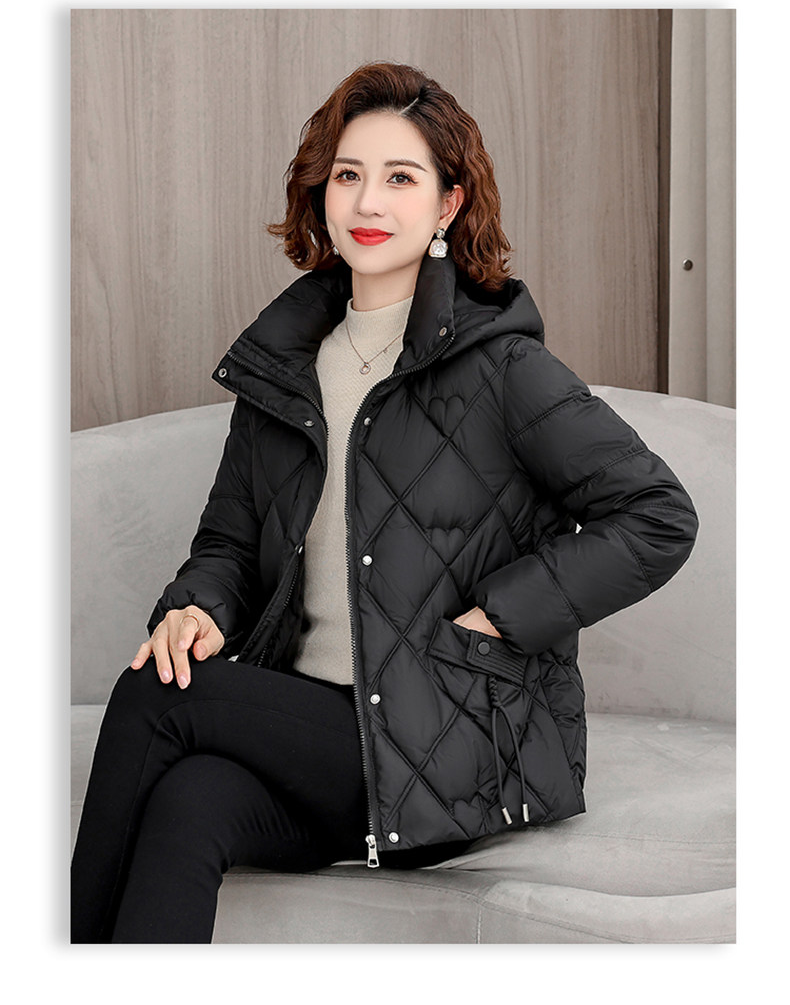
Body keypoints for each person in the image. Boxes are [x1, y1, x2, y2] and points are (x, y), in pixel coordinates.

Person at [71, 61, 699, 944]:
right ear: (321, 193)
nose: (368, 201)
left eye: (401, 178)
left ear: (447, 204)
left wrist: (501, 615)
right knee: (190, 801)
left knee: (157, 697)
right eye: (348, 175)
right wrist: (198, 609)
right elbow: (228, 544)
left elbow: (659, 515)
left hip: (445, 737)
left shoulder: (504, 370)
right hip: (317, 732)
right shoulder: (283, 370)